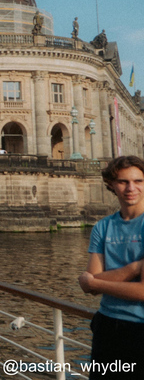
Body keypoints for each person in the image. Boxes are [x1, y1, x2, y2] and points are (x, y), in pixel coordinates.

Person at [78, 156, 144, 379]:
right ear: (111, 185)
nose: (131, 188)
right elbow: (91, 286)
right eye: (123, 182)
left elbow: (143, 292)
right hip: (106, 326)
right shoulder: (102, 226)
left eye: (138, 181)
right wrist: (134, 269)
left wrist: (96, 282)